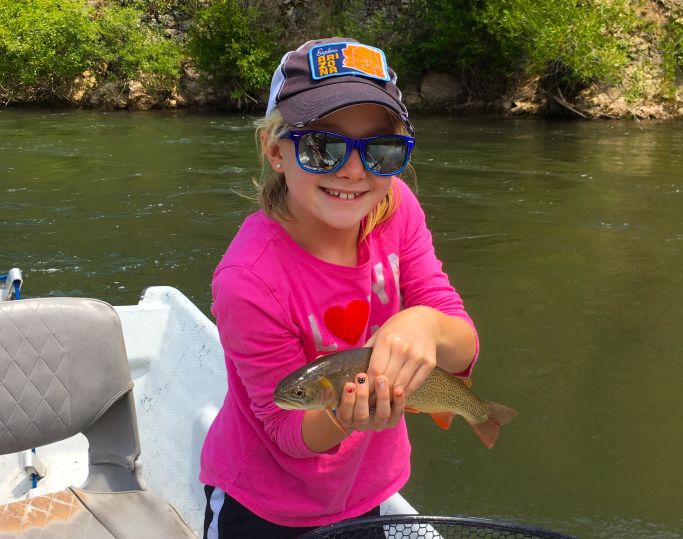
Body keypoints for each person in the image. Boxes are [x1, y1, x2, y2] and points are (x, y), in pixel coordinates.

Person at [199, 36, 479, 538]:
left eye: (382, 149)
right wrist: (346, 418)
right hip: (262, 505)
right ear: (275, 151)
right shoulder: (248, 281)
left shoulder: (397, 211)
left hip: (367, 489)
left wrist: (426, 322)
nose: (354, 169)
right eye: (321, 147)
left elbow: (461, 348)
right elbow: (285, 430)